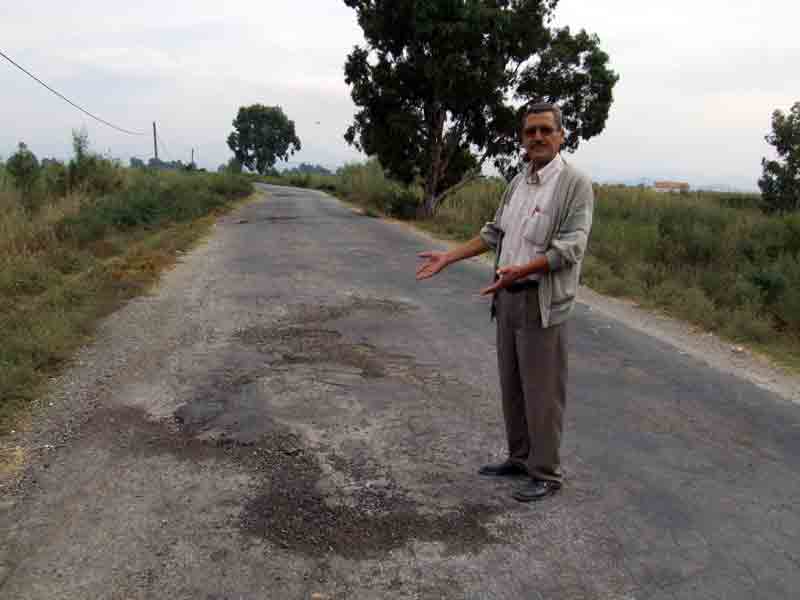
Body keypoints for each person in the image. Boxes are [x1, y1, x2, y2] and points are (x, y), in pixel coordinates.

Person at [416, 102, 594, 502]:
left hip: (539, 301)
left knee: (542, 392)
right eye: (530, 131)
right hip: (506, 298)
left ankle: (546, 473)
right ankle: (519, 458)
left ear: (561, 136)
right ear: (522, 139)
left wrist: (522, 269)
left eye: (546, 130)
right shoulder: (518, 182)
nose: (538, 137)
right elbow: (494, 234)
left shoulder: (574, 185)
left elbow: (569, 249)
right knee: (512, 386)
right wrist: (448, 256)